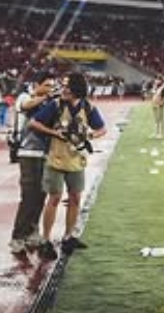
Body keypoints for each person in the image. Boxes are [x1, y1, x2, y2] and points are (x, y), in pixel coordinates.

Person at [29, 72, 106, 258]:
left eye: (67, 86)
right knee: (54, 199)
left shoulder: (88, 107)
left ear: (76, 90)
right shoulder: (55, 105)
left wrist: (89, 136)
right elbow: (33, 123)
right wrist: (55, 133)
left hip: (76, 160)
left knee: (75, 199)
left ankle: (68, 237)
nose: (63, 89)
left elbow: (102, 129)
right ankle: (46, 240)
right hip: (55, 159)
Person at [7, 72, 57, 265]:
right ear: (37, 85)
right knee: (28, 196)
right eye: (47, 85)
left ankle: (32, 232)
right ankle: (17, 237)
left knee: (41, 195)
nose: (50, 89)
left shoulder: (48, 102)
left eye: (52, 86)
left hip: (45, 154)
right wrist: (46, 98)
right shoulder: (25, 96)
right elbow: (26, 106)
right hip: (27, 154)